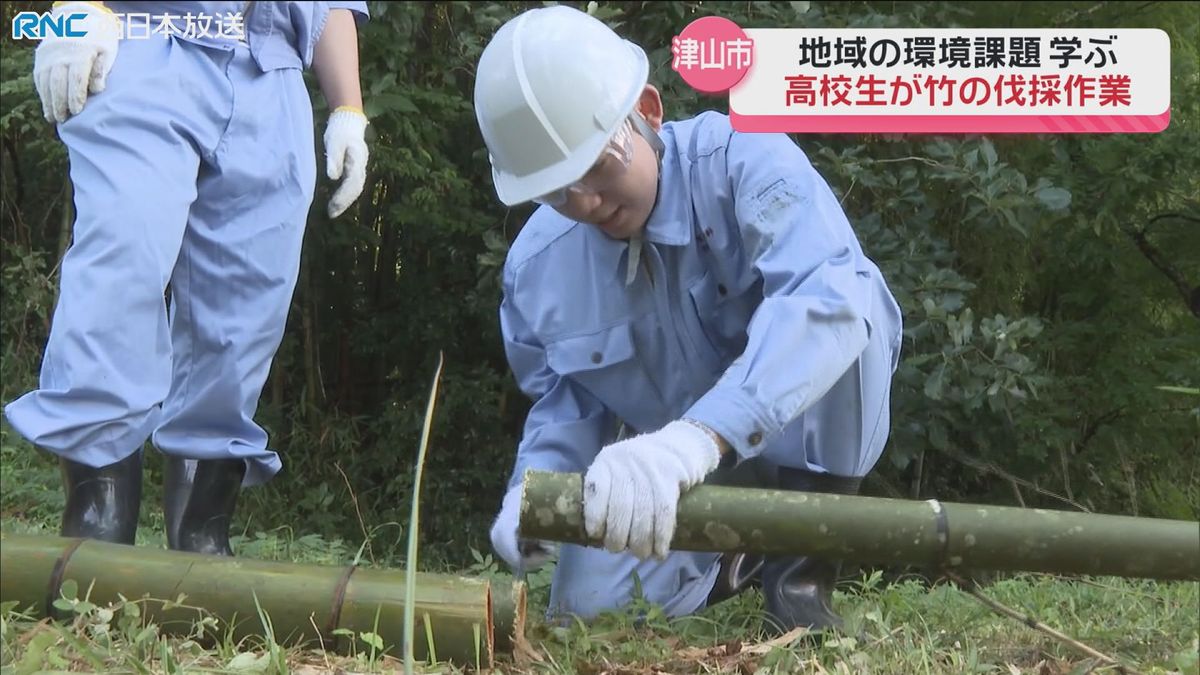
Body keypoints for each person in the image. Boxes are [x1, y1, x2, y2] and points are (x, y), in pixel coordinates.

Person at [473, 6, 904, 634]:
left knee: (854, 303)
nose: (586, 202)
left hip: (786, 445)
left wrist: (698, 438)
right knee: (588, 615)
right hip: (670, 472)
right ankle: (736, 560)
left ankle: (801, 579)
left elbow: (826, 296)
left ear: (647, 110)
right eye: (558, 189)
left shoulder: (743, 163)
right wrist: (532, 494)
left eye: (598, 164)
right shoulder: (537, 269)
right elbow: (567, 402)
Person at [4, 1, 371, 556]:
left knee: (248, 302)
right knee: (124, 253)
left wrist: (349, 109)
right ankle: (96, 523)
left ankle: (201, 533)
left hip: (271, 71)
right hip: (142, 40)